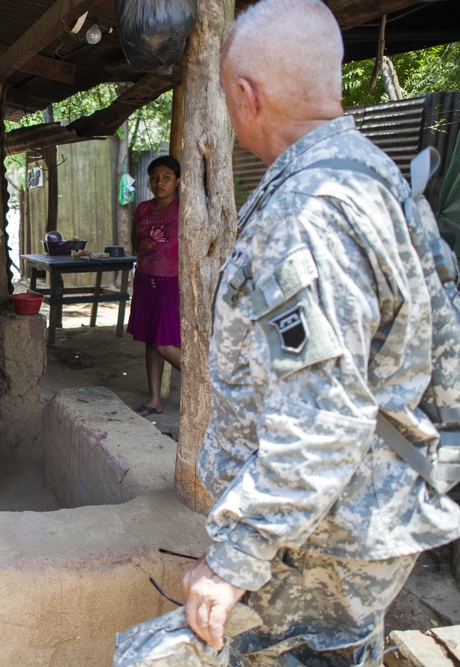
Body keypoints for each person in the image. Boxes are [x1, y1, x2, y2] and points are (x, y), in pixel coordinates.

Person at [181, 1, 460, 664]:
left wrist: (234, 557)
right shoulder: (375, 176)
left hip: (321, 537)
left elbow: (321, 415)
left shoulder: (307, 211)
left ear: (245, 96)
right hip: (363, 512)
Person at [125, 155, 182, 417]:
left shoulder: (184, 207)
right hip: (145, 282)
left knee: (164, 344)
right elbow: (137, 242)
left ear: (178, 181)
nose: (160, 182)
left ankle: (211, 384)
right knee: (150, 341)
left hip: (171, 284)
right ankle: (154, 400)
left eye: (167, 177)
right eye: (155, 177)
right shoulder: (143, 209)